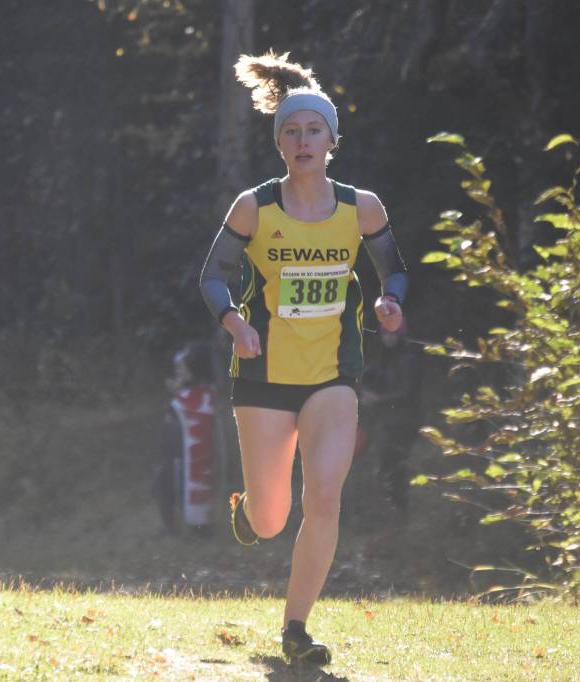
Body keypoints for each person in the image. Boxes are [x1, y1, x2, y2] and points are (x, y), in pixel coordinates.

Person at [199, 50, 408, 665]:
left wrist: (390, 302)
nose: (302, 139)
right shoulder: (254, 207)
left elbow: (393, 270)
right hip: (263, 375)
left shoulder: (361, 207)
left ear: (332, 140)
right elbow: (212, 275)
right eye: (291, 131)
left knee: (324, 497)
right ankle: (250, 509)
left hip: (332, 375)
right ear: (280, 143)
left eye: (314, 129)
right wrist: (235, 322)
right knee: (270, 520)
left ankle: (297, 630)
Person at [359, 319, 423, 512]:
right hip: (388, 423)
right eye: (385, 334)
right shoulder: (383, 360)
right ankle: (393, 511)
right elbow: (364, 376)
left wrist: (376, 399)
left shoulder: (408, 360)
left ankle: (400, 510)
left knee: (394, 466)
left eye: (392, 333)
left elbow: (407, 393)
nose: (388, 337)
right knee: (386, 466)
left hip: (406, 422)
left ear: (400, 335)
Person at [152, 343, 216, 536]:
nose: (177, 374)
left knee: (161, 482)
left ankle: (170, 526)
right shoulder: (212, 395)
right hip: (208, 461)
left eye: (180, 370)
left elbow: (167, 440)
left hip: (182, 458)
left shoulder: (180, 403)